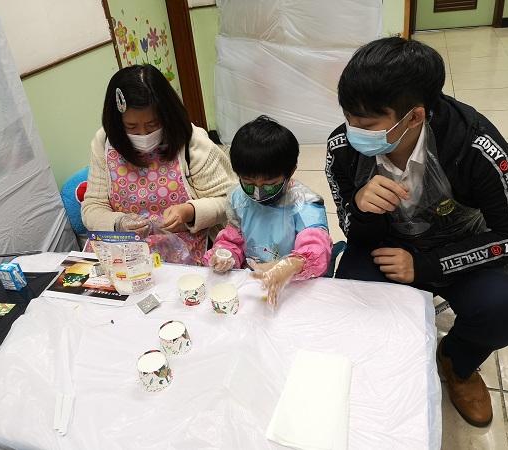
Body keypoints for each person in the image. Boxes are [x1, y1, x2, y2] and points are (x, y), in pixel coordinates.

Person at [325, 36, 508, 427]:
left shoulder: (477, 146)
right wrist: (362, 206)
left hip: (459, 247)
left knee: (504, 307)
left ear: (414, 116)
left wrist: (425, 266)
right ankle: (384, 367)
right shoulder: (343, 148)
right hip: (385, 246)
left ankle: (457, 363)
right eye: (349, 118)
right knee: (352, 298)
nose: (353, 131)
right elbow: (352, 232)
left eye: (368, 124)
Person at [81, 64, 237, 265]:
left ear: (167, 116)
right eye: (131, 127)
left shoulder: (191, 142)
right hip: (125, 254)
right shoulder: (104, 142)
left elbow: (230, 201)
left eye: (153, 125)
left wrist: (189, 212)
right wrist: (118, 223)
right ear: (117, 123)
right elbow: (93, 207)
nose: (143, 134)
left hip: (186, 252)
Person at [204, 115, 333, 309]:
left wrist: (289, 266)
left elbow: (317, 247)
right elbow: (233, 238)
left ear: (291, 172)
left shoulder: (305, 202)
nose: (257, 191)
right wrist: (225, 255)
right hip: (254, 281)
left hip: (295, 283)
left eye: (270, 184)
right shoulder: (238, 198)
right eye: (248, 182)